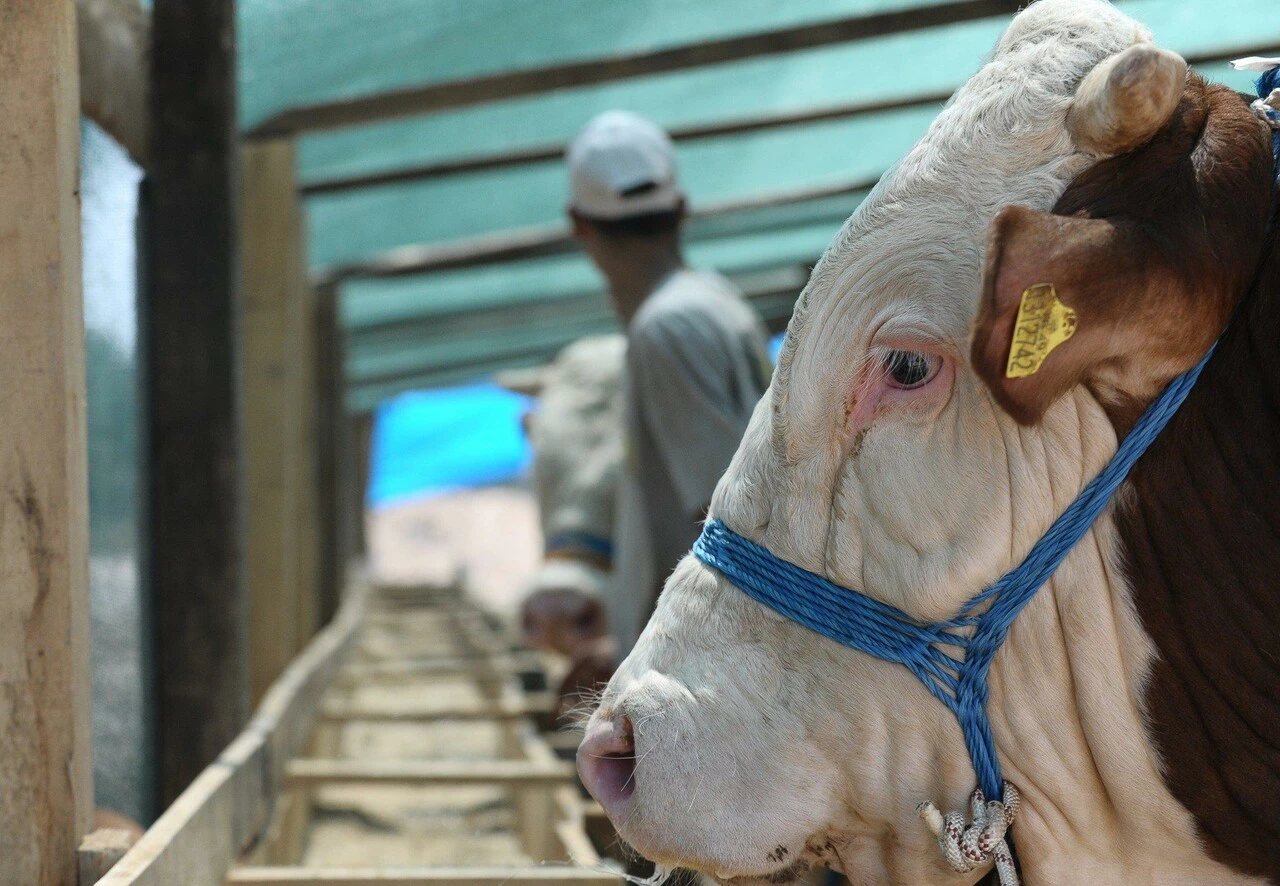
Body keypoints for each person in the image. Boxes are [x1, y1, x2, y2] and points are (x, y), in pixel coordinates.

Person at [565, 110, 773, 667]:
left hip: (703, 677)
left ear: (578, 225)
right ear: (681, 210)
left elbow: (728, 517)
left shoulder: (665, 330)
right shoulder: (717, 300)